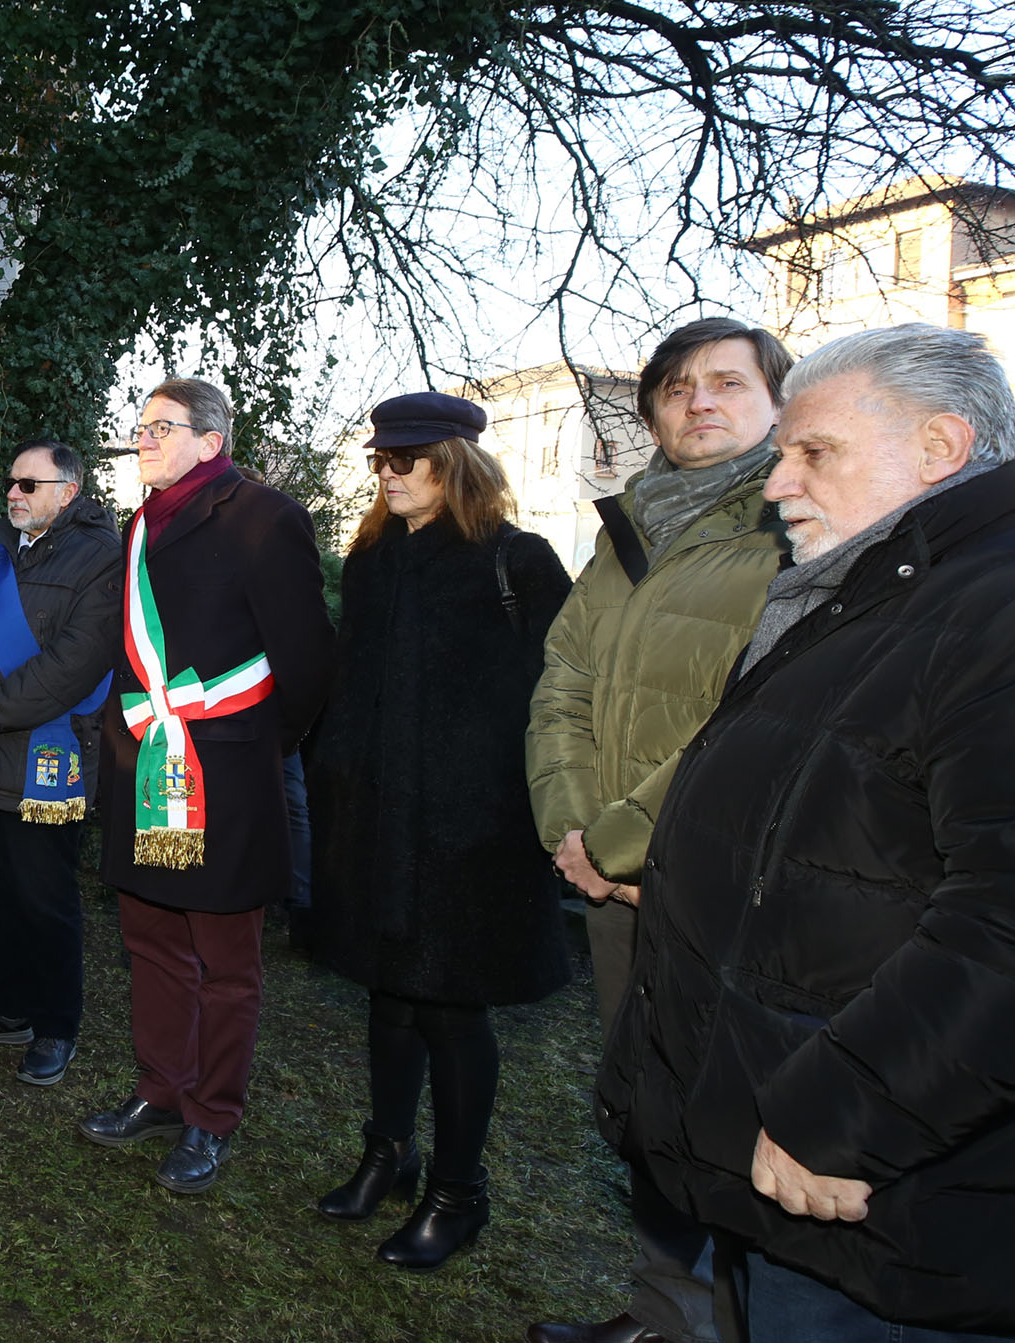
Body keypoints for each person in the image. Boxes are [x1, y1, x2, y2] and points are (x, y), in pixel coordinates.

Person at [598, 324, 1015, 1342]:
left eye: (813, 451)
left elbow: (1000, 918)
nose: (778, 481)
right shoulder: (867, 595)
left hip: (882, 1205)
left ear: (939, 447)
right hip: (797, 1177)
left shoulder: (991, 611)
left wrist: (840, 1113)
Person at [525, 317, 793, 1343]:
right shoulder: (626, 530)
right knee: (645, 1096)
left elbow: (757, 711)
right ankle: (664, 1313)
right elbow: (564, 682)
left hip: (731, 881)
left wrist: (621, 841)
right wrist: (574, 830)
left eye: (727, 382)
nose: (699, 402)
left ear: (777, 401)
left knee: (739, 1118)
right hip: (611, 879)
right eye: (676, 387)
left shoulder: (791, 522)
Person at [303, 393, 574, 1269]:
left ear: (455, 463)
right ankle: (389, 1152)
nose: (388, 473)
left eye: (407, 458)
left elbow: (565, 699)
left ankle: (459, 1193)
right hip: (376, 824)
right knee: (389, 997)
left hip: (472, 836)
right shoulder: (373, 559)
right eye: (380, 459)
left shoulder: (518, 561)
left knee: (454, 1009)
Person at [78, 378, 334, 1194]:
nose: (144, 438)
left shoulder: (265, 517)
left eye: (162, 426)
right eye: (141, 426)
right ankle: (161, 1088)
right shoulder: (141, 525)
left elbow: (307, 661)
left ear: (211, 441)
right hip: (144, 769)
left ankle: (212, 1114)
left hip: (225, 776)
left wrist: (256, 746)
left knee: (225, 960)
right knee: (151, 941)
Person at [0, 440, 122, 1086]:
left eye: (29, 484)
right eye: (12, 481)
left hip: (45, 756)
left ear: (68, 492)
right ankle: (5, 1007)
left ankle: (57, 1025)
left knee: (46, 897)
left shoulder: (102, 557)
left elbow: (73, 665)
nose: (14, 492)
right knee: (0, 889)